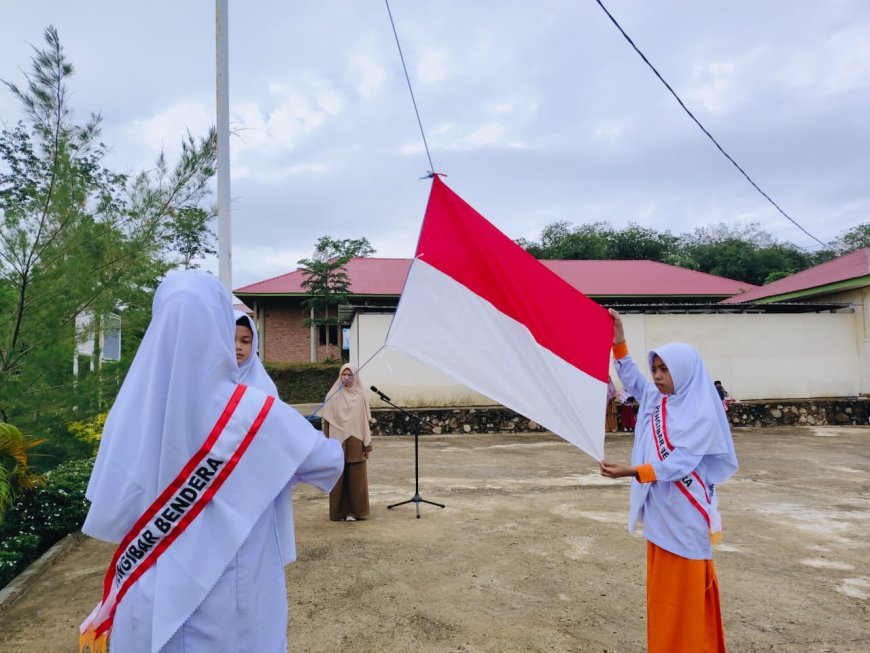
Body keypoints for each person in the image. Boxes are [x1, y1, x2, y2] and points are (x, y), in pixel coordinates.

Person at [79, 270, 343, 653]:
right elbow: (327, 464)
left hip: (148, 596)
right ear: (220, 326)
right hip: (227, 594)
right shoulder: (254, 413)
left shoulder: (129, 412)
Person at [599, 308, 738, 653]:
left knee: (684, 595)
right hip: (660, 512)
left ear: (685, 372)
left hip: (685, 516)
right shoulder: (656, 400)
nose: (657, 377)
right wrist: (619, 340)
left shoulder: (702, 412)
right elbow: (631, 378)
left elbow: (681, 463)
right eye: (655, 369)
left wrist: (632, 472)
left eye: (665, 370)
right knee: (662, 595)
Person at [320, 364, 372, 522]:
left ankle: (356, 512)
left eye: (350, 375)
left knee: (356, 477)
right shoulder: (333, 395)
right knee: (338, 477)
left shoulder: (360, 395)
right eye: (344, 374)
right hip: (337, 441)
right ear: (340, 376)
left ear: (355, 376)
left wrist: (366, 445)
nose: (347, 378)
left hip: (356, 440)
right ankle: (339, 512)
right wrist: (327, 445)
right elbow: (327, 422)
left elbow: (365, 421)